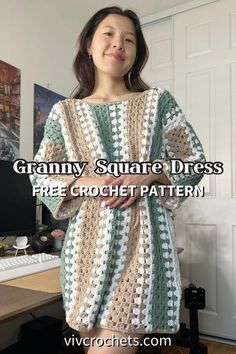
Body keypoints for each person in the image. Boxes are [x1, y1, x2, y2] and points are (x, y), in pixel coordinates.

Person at [30, 6, 206, 354]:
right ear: (89, 45)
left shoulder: (157, 103)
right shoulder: (64, 112)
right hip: (83, 252)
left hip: (141, 249)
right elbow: (42, 173)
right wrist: (86, 182)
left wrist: (151, 172)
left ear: (136, 54)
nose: (118, 44)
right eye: (108, 34)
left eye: (129, 40)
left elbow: (194, 160)